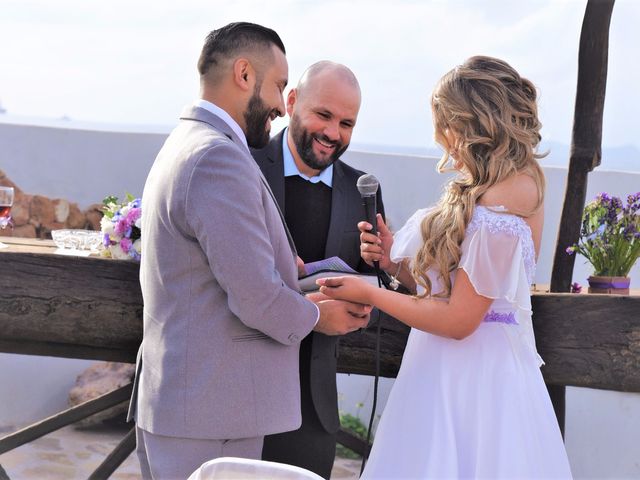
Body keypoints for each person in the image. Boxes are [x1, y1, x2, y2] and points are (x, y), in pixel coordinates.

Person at [127, 23, 371, 480]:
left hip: (195, 406)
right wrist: (318, 315)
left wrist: (286, 269)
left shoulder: (188, 142)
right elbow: (256, 297)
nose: (281, 105)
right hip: (210, 415)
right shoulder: (217, 158)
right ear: (244, 74)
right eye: (280, 86)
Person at [318, 56, 573, 478]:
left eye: (445, 124)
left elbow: (460, 318)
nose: (441, 138)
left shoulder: (513, 191)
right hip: (435, 370)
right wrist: (392, 263)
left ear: (469, 122)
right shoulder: (484, 185)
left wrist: (369, 292)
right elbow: (446, 291)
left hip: (477, 384)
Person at [251, 61, 385, 479]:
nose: (333, 133)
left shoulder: (364, 188)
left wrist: (368, 292)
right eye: (323, 115)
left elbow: (379, 292)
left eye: (347, 123)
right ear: (291, 102)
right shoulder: (242, 165)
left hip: (311, 408)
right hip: (239, 389)